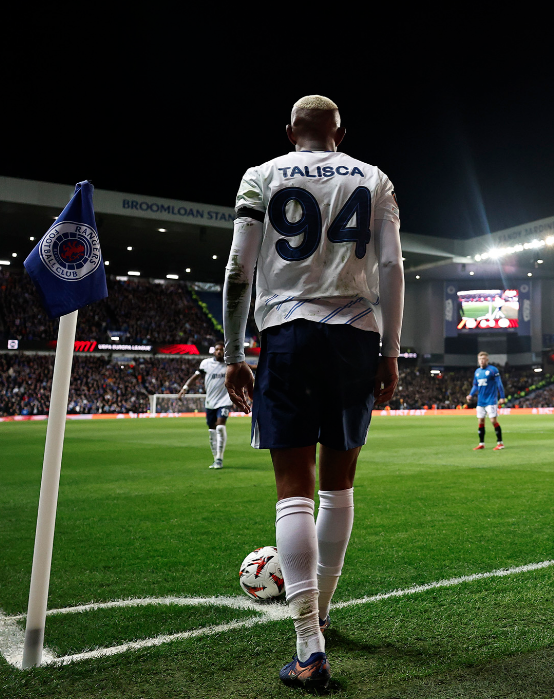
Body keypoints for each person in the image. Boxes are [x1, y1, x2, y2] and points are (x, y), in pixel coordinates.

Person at [222, 95, 404, 689]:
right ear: (340, 134)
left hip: (289, 336)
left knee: (292, 490)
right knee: (339, 486)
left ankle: (309, 642)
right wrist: (390, 352)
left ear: (289, 132)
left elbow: (237, 272)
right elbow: (395, 268)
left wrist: (234, 355)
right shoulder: (373, 177)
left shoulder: (262, 175)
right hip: (355, 335)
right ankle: (322, 611)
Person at [177, 341, 232, 469]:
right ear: (214, 351)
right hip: (210, 402)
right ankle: (215, 458)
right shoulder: (206, 364)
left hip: (225, 400)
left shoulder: (229, 364)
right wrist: (185, 388)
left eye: (222, 350)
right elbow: (195, 377)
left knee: (220, 427)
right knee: (212, 430)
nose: (219, 352)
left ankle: (219, 458)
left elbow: (246, 368)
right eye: (217, 349)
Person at [466, 351, 506, 450]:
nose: (482, 361)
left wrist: (502, 397)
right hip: (481, 401)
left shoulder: (493, 370)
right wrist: (470, 394)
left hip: (491, 400)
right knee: (480, 421)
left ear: (487, 360)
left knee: (493, 420)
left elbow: (499, 384)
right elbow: (475, 385)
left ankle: (500, 443)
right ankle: (481, 443)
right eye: (480, 359)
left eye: (483, 359)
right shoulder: (477, 372)